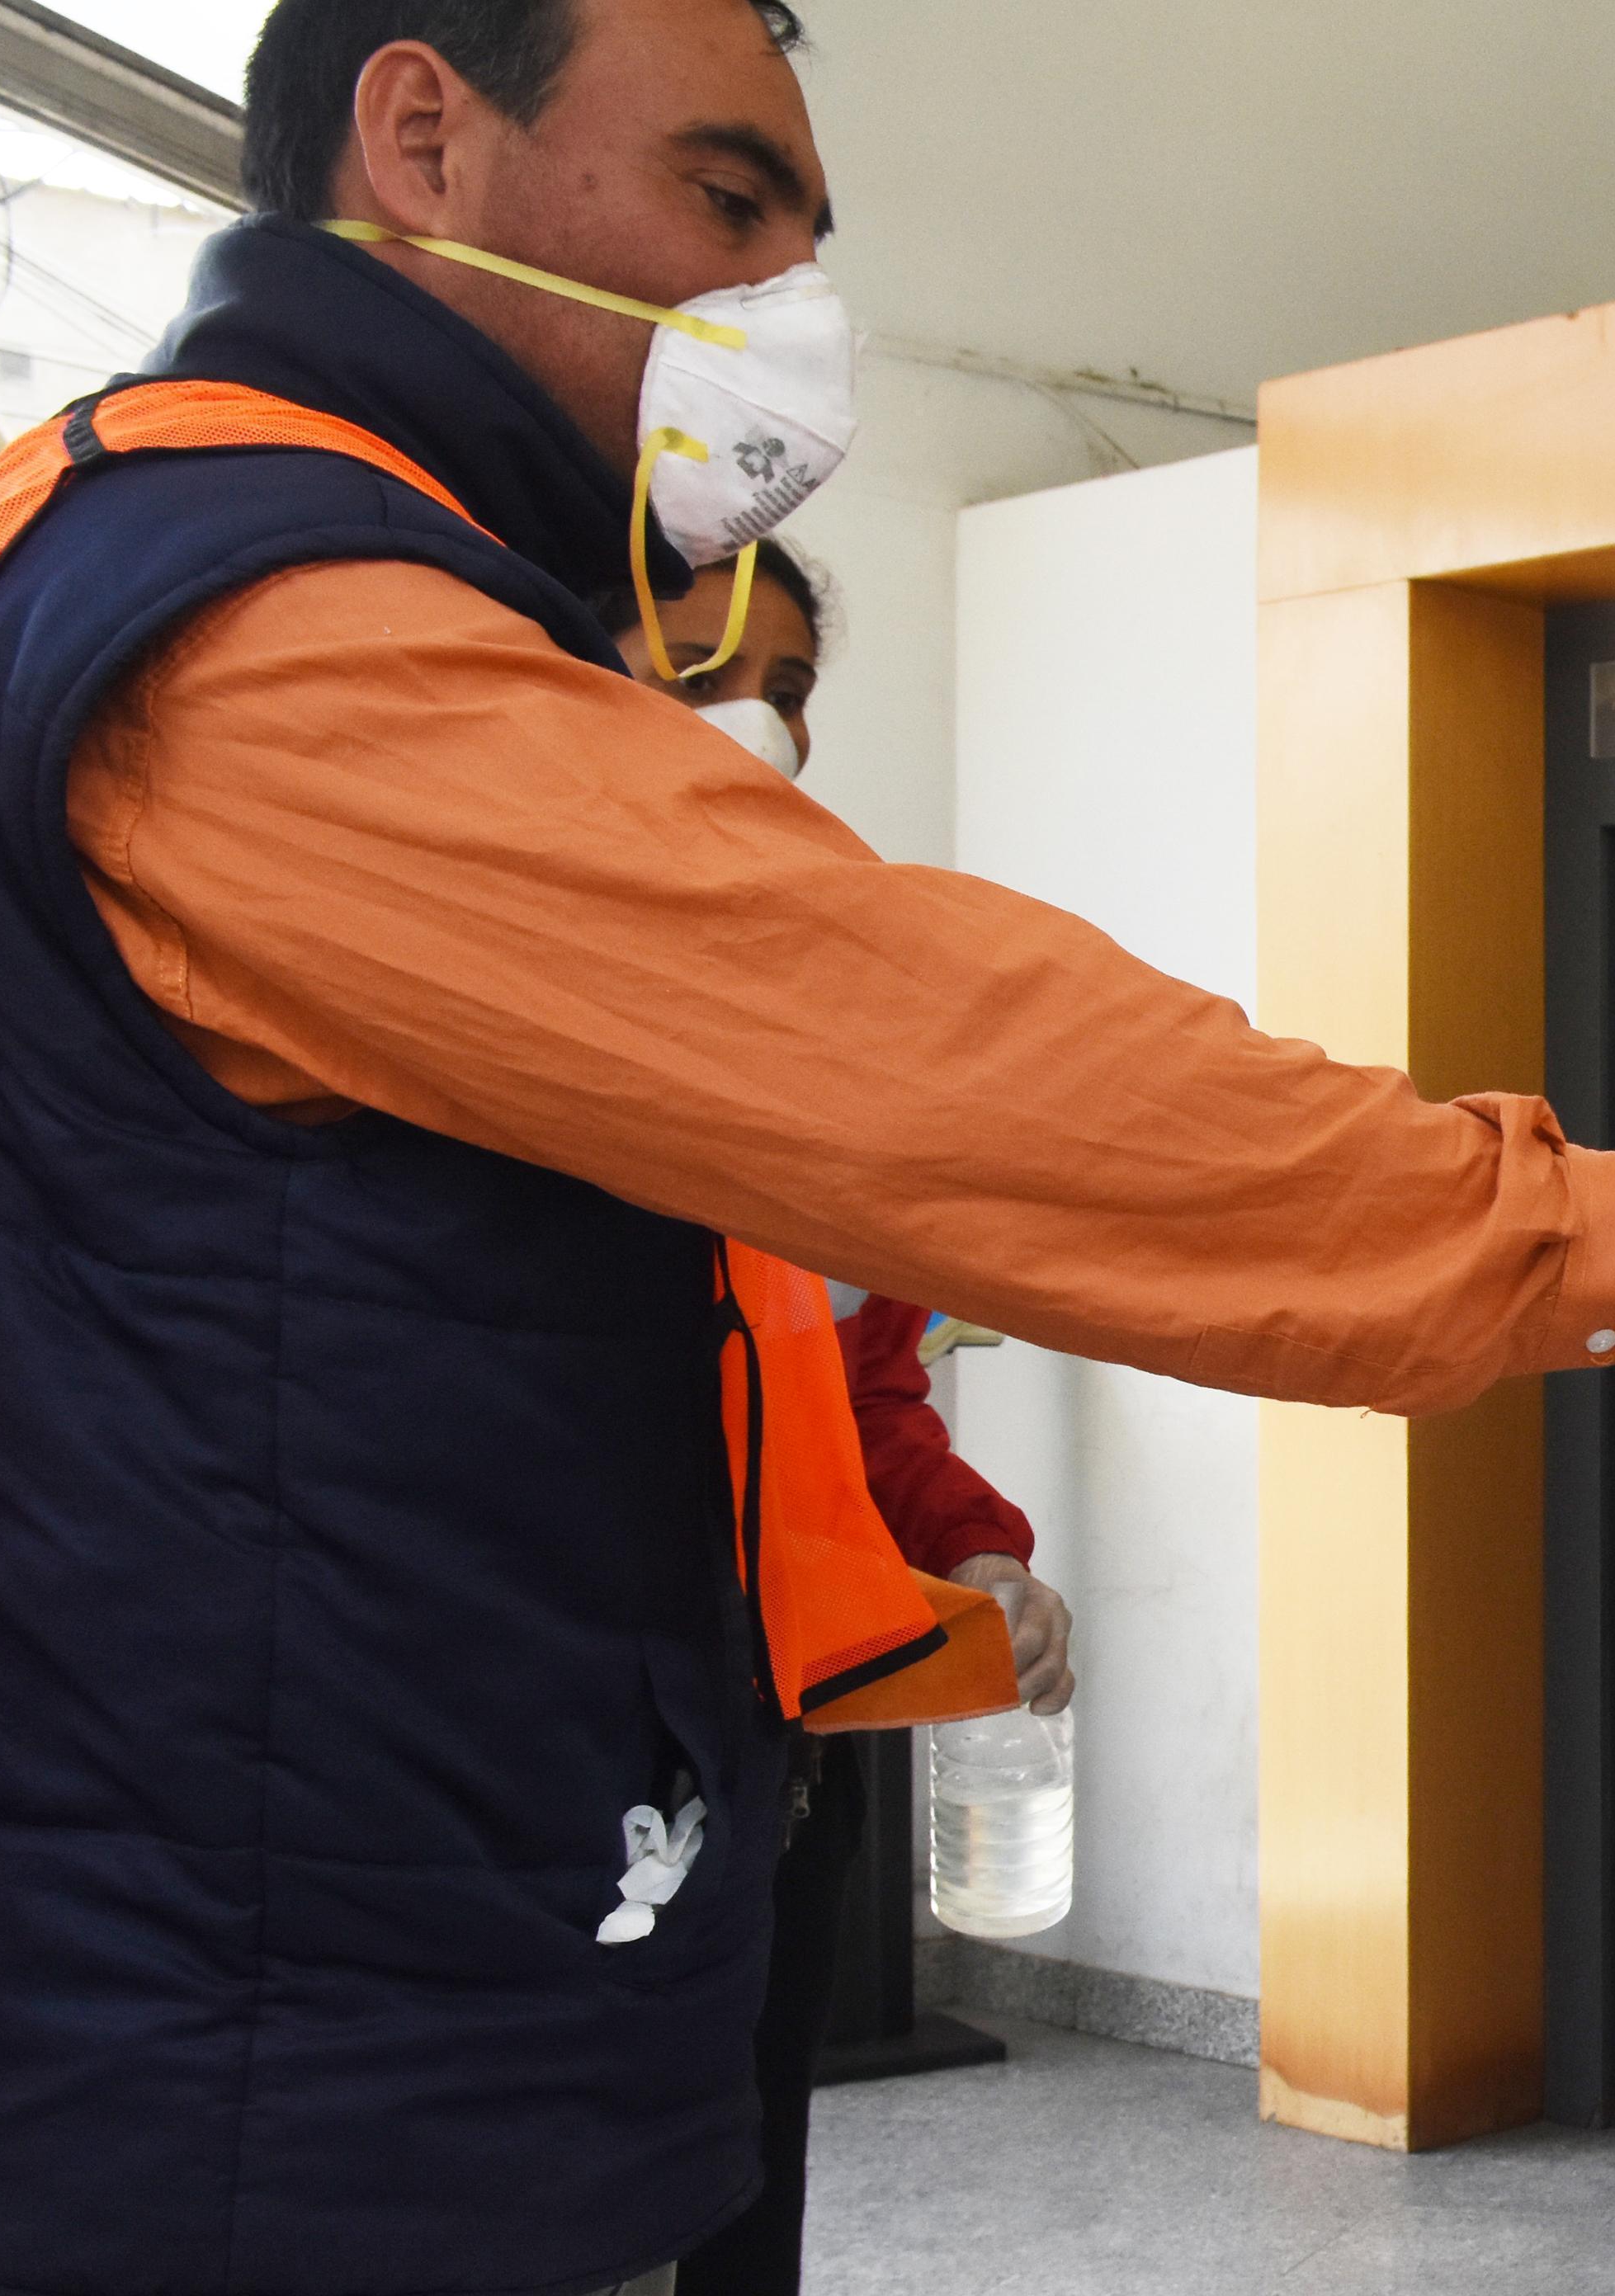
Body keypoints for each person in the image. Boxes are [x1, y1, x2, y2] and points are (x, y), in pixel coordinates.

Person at [0, 8, 1615, 2296]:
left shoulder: (239, 559)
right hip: (285, 2112)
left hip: (403, 1989)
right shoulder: (245, 627)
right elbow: (945, 1080)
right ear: (425, 135)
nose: (789, 315)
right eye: (727, 207)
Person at [607, 546, 1075, 2296]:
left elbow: (867, 1386)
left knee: (743, 2190)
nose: (762, 726)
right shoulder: (485, 996)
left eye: (790, 685)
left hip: (787, 1750)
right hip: (562, 1764)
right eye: (701, 666)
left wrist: (974, 1550)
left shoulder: (820, 993)